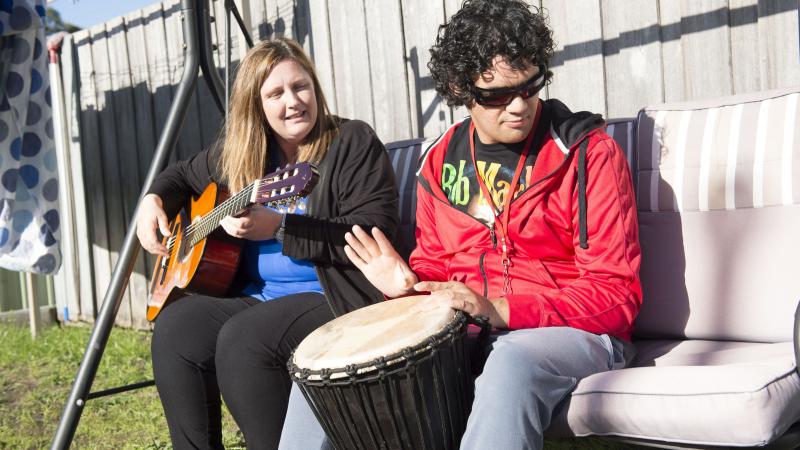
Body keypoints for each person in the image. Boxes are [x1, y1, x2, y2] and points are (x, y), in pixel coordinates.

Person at [278, 1, 642, 449]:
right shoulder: (439, 162)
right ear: (459, 88)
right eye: (496, 95)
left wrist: (501, 309)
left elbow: (616, 296)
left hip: (575, 334)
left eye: (531, 87)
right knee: (328, 371)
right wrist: (407, 287)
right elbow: (437, 276)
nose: (518, 106)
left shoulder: (587, 153)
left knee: (511, 360)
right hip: (469, 331)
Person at [136, 38, 398, 450]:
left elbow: (374, 230)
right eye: (275, 94)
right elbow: (181, 176)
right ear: (255, 106)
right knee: (175, 329)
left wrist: (280, 228)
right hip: (260, 296)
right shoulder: (246, 152)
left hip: (334, 295)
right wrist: (152, 200)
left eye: (301, 86)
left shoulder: (350, 142)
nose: (292, 101)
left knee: (245, 338)